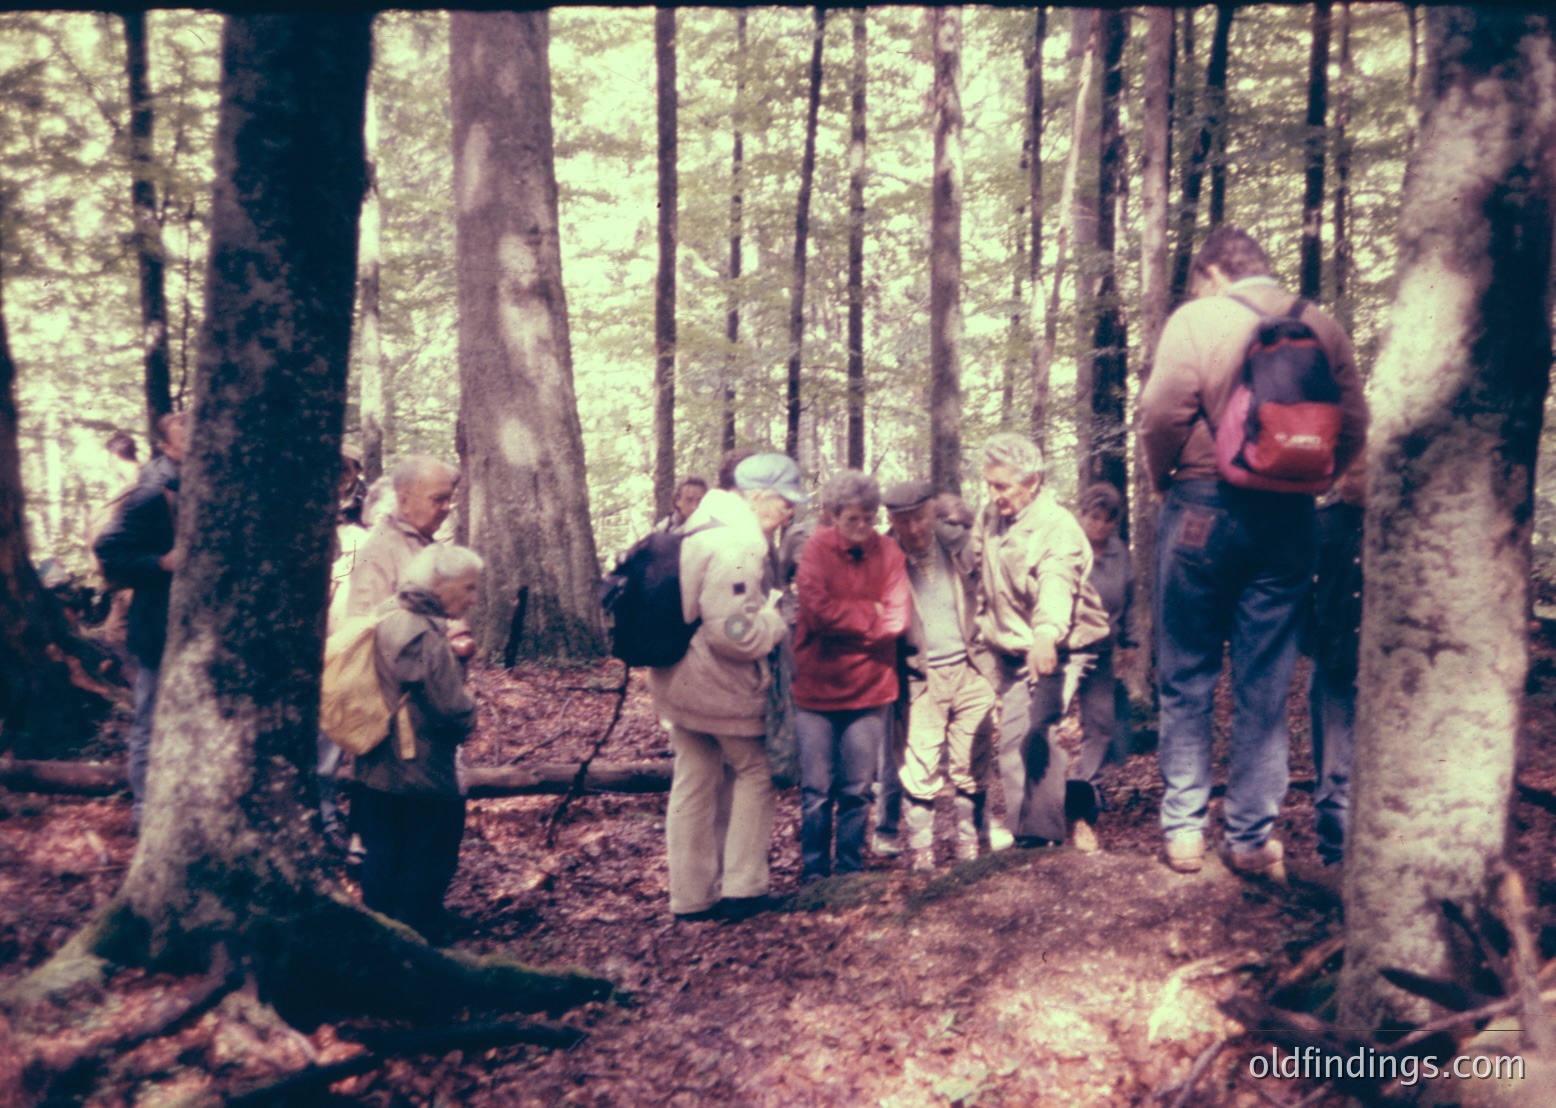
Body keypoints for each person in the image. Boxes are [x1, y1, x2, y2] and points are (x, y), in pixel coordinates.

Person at [1139, 225, 1367, 878]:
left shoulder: (1197, 318)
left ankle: (1184, 831)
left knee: (1187, 675)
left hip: (1203, 507)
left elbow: (1159, 415)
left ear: (1211, 272)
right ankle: (1248, 836)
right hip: (1291, 517)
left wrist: (1163, 482)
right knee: (1265, 682)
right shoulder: (1319, 323)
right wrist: (1315, 478)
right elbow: (1354, 421)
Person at [648, 453, 801, 921]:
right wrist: (774, 622)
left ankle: (691, 896)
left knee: (694, 779)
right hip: (719, 684)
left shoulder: (698, 526)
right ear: (757, 497)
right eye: (785, 503)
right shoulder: (739, 544)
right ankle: (744, 887)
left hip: (676, 678)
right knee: (755, 773)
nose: (790, 512)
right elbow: (733, 633)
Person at [972, 433, 1110, 848]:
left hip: (1061, 646)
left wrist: (1046, 636)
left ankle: (1039, 840)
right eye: (989, 485)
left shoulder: (1056, 526)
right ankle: (1047, 823)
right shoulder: (990, 517)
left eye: (1002, 486)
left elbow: (1057, 581)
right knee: (1012, 741)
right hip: (1012, 646)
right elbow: (978, 567)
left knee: (1038, 731)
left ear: (1032, 482)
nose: (993, 495)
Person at [352, 544, 483, 939]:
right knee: (430, 847)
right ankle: (418, 931)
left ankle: (383, 930)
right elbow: (449, 708)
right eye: (469, 588)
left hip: (374, 758)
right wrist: (471, 712)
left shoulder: (388, 611)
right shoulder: (421, 633)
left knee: (383, 848)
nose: (474, 598)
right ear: (439, 584)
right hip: (418, 767)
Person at [793, 471, 911, 881]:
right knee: (816, 790)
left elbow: (897, 618)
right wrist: (868, 616)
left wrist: (856, 620)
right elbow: (815, 611)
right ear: (832, 516)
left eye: (868, 519)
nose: (862, 528)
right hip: (815, 687)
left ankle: (848, 871)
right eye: (852, 520)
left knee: (858, 789)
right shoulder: (815, 549)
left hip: (871, 688)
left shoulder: (890, 554)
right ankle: (813, 873)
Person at [884, 479, 999, 869]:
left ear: (932, 510)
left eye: (919, 518)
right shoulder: (883, 557)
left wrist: (989, 670)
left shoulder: (958, 544)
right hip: (919, 677)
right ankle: (922, 857)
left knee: (973, 762)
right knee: (919, 768)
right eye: (903, 522)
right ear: (890, 521)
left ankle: (969, 850)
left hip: (971, 669)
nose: (914, 529)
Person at [91, 410, 188, 828]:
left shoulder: (208, 484)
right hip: (159, 627)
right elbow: (108, 547)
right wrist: (161, 563)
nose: (195, 431)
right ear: (165, 446)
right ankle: (145, 811)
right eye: (183, 427)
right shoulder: (153, 493)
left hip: (197, 633)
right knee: (150, 716)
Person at [1063, 482, 1138, 852]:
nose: (1101, 526)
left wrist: (1131, 640)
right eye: (1094, 517)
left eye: (1109, 520)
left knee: (1101, 722)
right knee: (1051, 719)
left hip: (1104, 649)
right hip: (1066, 648)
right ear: (1083, 515)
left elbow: (1131, 597)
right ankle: (1048, 797)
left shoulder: (1120, 553)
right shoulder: (1067, 547)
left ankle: (1087, 788)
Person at [1305, 454, 1365, 868]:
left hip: (1387, 670)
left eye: (1358, 471)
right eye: (1343, 471)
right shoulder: (1321, 523)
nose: (1347, 480)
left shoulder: (1397, 524)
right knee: (1332, 770)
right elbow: (1300, 591)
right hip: (1333, 661)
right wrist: (1316, 642)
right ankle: (1334, 860)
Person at [344, 455, 459, 620]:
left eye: (449, 499)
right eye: (438, 499)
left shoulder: (425, 542)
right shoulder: (381, 551)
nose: (447, 508)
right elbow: (363, 630)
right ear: (404, 501)